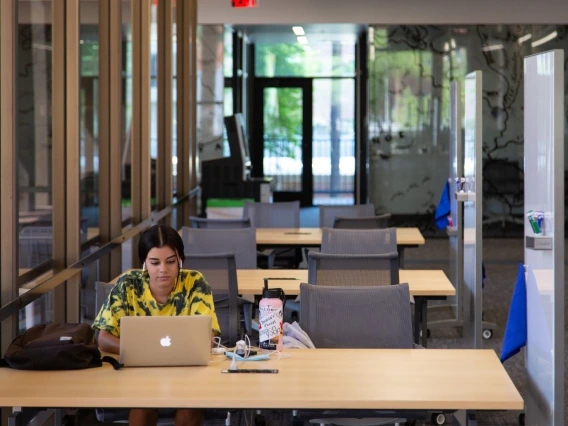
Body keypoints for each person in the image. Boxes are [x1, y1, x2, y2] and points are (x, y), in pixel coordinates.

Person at [93, 224, 220, 426]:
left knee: (190, 406)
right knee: (143, 403)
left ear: (180, 260)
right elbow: (103, 338)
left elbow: (208, 338)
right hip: (137, 374)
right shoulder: (128, 284)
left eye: (170, 262)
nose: (163, 269)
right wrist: (143, 353)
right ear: (144, 263)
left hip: (187, 373)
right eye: (154, 262)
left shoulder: (195, 282)